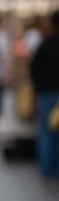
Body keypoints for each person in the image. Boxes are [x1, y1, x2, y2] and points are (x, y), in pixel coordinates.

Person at [30, 10, 59, 179]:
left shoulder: (46, 43)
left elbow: (34, 68)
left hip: (47, 93)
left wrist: (39, 88)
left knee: (47, 132)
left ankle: (48, 171)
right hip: (48, 92)